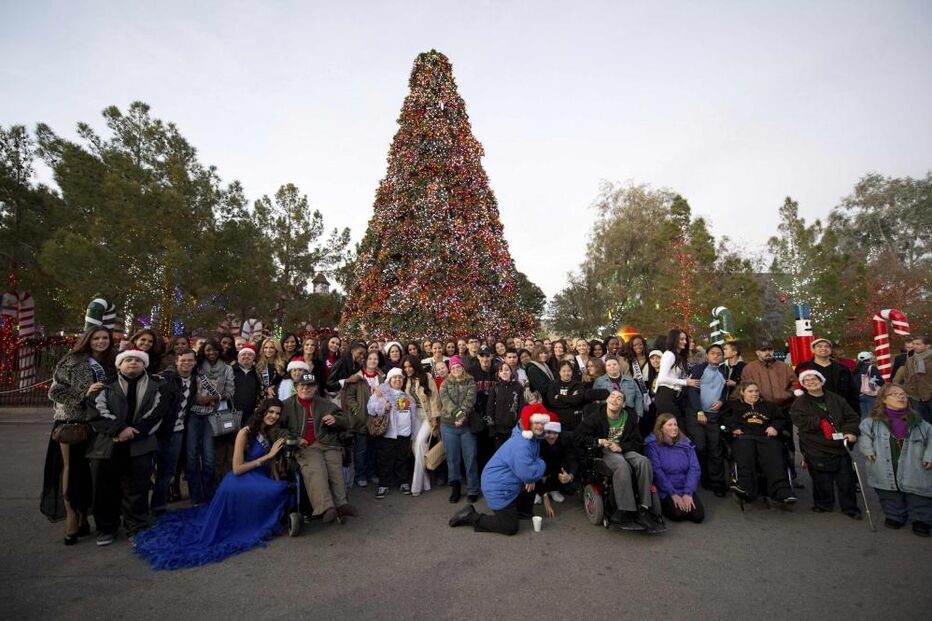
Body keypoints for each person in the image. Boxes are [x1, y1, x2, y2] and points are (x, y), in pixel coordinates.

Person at [133, 399, 289, 569]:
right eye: (271, 412)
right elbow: (237, 469)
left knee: (282, 486)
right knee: (278, 490)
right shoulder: (245, 433)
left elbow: (271, 458)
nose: (274, 416)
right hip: (241, 480)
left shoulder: (268, 431)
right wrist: (267, 457)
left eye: (277, 413)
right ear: (262, 412)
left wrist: (274, 471)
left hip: (259, 477)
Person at [43, 326, 115, 544]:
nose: (101, 341)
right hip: (73, 422)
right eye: (96, 338)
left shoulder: (112, 363)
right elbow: (54, 391)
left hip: (100, 423)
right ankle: (72, 516)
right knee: (72, 470)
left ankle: (86, 515)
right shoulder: (73, 360)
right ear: (88, 340)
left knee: (92, 473)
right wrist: (83, 394)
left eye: (105, 338)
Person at [86, 349, 165, 545]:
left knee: (137, 488)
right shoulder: (104, 386)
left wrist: (134, 431)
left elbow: (158, 413)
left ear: (144, 364)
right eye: (128, 360)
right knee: (104, 489)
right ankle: (106, 528)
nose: (133, 363)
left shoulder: (157, 386)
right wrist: (119, 429)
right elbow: (96, 412)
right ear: (120, 364)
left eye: (137, 360)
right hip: (107, 445)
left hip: (141, 444)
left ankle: (136, 526)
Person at [447, 408, 548, 535]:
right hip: (497, 487)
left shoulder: (532, 437)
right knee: (509, 527)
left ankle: (521, 511)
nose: (540, 426)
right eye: (536, 422)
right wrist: (540, 465)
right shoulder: (521, 444)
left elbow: (531, 468)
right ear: (528, 422)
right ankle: (471, 516)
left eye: (542, 423)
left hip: (507, 481)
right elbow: (529, 472)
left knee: (532, 476)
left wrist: (531, 475)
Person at [575, 390, 665, 533]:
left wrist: (621, 447)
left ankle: (644, 508)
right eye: (612, 396)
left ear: (623, 404)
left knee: (644, 461)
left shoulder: (629, 417)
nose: (614, 400)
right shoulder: (596, 417)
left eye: (619, 398)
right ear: (607, 400)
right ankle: (625, 509)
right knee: (621, 465)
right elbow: (578, 436)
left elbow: (638, 442)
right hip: (604, 450)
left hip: (624, 449)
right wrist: (598, 441)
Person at [278, 372, 357, 523]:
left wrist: (335, 420)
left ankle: (341, 504)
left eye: (310, 386)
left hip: (328, 443)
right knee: (316, 469)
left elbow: (345, 421)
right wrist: (295, 439)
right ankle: (325, 507)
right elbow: (277, 429)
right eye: (302, 386)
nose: (305, 389)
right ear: (296, 387)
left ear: (315, 388)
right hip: (306, 446)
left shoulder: (325, 404)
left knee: (335, 467)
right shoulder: (287, 405)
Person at [857, 384, 932, 537]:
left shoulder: (919, 422)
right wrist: (867, 449)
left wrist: (929, 455)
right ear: (884, 400)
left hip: (915, 464)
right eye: (895, 394)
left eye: (903, 394)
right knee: (888, 492)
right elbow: (864, 435)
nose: (901, 397)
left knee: (918, 494)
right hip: (883, 464)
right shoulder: (872, 422)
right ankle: (895, 516)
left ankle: (921, 520)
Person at [791, 369, 862, 519]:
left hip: (840, 443)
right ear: (803, 385)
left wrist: (851, 432)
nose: (811, 382)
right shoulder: (799, 403)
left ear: (821, 381)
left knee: (846, 478)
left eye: (814, 379)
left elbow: (852, 417)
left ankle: (850, 507)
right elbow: (799, 421)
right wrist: (820, 422)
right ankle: (823, 503)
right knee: (820, 478)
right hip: (815, 443)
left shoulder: (837, 399)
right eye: (807, 380)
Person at [721, 381, 797, 504]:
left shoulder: (769, 406)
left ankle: (781, 491)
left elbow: (780, 419)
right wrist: (734, 427)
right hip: (744, 437)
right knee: (745, 454)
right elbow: (726, 418)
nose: (754, 394)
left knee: (775, 456)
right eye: (750, 391)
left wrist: (774, 427)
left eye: (756, 391)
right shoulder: (733, 406)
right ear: (742, 392)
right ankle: (746, 488)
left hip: (766, 437)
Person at [188, 339, 234, 506]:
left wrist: (213, 397)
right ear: (203, 351)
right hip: (193, 414)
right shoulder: (197, 367)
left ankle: (208, 493)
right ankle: (195, 496)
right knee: (192, 456)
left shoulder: (227, 369)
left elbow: (230, 392)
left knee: (209, 458)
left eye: (215, 350)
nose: (212, 353)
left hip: (213, 416)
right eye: (208, 350)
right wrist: (196, 399)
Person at [151, 348, 197, 515]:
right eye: (183, 360)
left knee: (167, 471)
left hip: (177, 431)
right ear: (176, 361)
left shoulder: (194, 380)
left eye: (190, 360)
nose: (186, 363)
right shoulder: (166, 377)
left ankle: (158, 505)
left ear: (195, 362)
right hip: (157, 431)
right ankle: (138, 511)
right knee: (147, 471)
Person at [685, 343, 729, 496]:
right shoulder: (699, 368)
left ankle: (718, 482)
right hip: (696, 414)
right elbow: (692, 390)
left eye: (719, 353)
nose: (716, 356)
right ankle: (704, 478)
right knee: (700, 446)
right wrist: (698, 411)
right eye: (713, 353)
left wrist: (722, 401)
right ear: (707, 355)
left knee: (715, 448)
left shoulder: (723, 371)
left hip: (713, 415)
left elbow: (724, 390)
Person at [644, 414, 704, 523]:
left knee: (698, 516)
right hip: (666, 489)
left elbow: (694, 468)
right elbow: (657, 471)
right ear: (661, 428)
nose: (674, 428)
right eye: (669, 425)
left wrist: (688, 493)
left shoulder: (686, 443)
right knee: (678, 514)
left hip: (685, 486)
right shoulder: (653, 445)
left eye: (675, 425)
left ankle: (685, 499)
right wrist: (673, 494)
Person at [368, 368, 415, 498]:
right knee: (385, 460)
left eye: (400, 378)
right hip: (388, 434)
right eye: (394, 378)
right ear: (389, 380)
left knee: (402, 459)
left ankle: (403, 482)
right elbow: (371, 409)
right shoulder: (381, 392)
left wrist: (413, 434)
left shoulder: (406, 395)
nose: (397, 380)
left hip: (404, 433)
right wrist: (383, 406)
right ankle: (384, 485)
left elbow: (411, 415)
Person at [217, 345, 263, 480]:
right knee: (227, 452)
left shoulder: (256, 374)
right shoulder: (230, 371)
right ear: (238, 357)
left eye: (249, 355)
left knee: (245, 449)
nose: (246, 357)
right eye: (243, 355)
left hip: (249, 417)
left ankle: (242, 479)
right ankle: (225, 480)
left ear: (254, 358)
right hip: (229, 416)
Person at [439, 355, 479, 503]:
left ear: (462, 367)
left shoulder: (470, 381)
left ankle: (473, 489)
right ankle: (455, 488)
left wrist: (462, 416)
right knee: (452, 458)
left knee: (470, 458)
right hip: (448, 426)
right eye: (453, 367)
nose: (456, 369)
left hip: (466, 426)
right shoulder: (445, 383)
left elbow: (470, 399)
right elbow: (445, 401)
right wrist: (457, 415)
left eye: (458, 367)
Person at [345, 351, 384, 488]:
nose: (373, 361)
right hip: (361, 419)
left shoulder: (381, 377)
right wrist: (357, 409)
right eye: (370, 359)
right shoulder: (357, 377)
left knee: (374, 448)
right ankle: (360, 475)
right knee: (361, 449)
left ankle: (371, 473)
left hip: (376, 419)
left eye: (375, 359)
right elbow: (349, 397)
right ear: (365, 361)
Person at [402, 354, 439, 496]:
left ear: (415, 365)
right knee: (415, 446)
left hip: (428, 415)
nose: (407, 369)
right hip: (414, 416)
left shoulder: (426, 377)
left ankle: (416, 486)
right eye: (405, 367)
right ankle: (426, 482)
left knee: (419, 443)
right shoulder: (406, 380)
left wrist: (435, 417)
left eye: (410, 366)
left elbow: (434, 397)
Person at [795, 338, 859, 413]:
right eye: (819, 346)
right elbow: (797, 386)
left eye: (827, 346)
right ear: (813, 350)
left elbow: (853, 392)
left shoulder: (842, 369)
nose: (823, 348)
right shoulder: (803, 367)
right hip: (812, 411)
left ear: (831, 350)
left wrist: (855, 413)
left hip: (840, 409)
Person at [655, 329, 700, 431]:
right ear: (674, 339)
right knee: (676, 428)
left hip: (675, 397)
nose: (685, 341)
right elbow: (662, 378)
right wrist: (685, 382)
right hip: (665, 396)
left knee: (675, 429)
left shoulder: (679, 356)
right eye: (681, 339)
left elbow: (674, 376)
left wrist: (684, 379)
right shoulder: (669, 354)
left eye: (685, 339)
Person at [537, 414, 577, 516]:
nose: (551, 436)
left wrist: (570, 475)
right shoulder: (537, 441)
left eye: (555, 433)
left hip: (556, 466)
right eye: (548, 432)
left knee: (562, 463)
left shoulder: (565, 438)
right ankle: (538, 492)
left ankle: (554, 488)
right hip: (540, 468)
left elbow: (572, 458)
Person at [894, 336, 931, 424]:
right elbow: (906, 377)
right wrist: (908, 391)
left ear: (927, 346)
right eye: (914, 344)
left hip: (930, 395)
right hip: (915, 398)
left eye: (918, 344)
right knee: (921, 423)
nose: (915, 346)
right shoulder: (910, 360)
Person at [486, 363, 524, 449]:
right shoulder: (495, 388)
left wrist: (518, 426)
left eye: (507, 370)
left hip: (513, 429)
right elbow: (489, 408)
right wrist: (491, 428)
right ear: (499, 374)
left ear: (511, 372)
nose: (504, 372)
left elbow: (521, 407)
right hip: (498, 430)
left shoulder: (518, 387)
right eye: (501, 370)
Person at [855, 351, 883, 420]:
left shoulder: (857, 368)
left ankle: (864, 430)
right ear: (870, 358)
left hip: (860, 395)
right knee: (873, 416)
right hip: (870, 395)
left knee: (864, 416)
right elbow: (880, 381)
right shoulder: (871, 367)